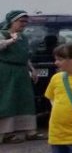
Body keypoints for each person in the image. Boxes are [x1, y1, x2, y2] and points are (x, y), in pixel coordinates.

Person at [1, 10, 42, 143]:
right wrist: (11, 40)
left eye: (25, 21)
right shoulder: (3, 34)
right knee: (8, 100)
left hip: (21, 70)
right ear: (12, 21)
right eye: (21, 21)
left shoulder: (23, 37)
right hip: (6, 71)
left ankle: (30, 130)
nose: (24, 24)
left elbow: (24, 55)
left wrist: (32, 69)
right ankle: (5, 133)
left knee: (25, 99)